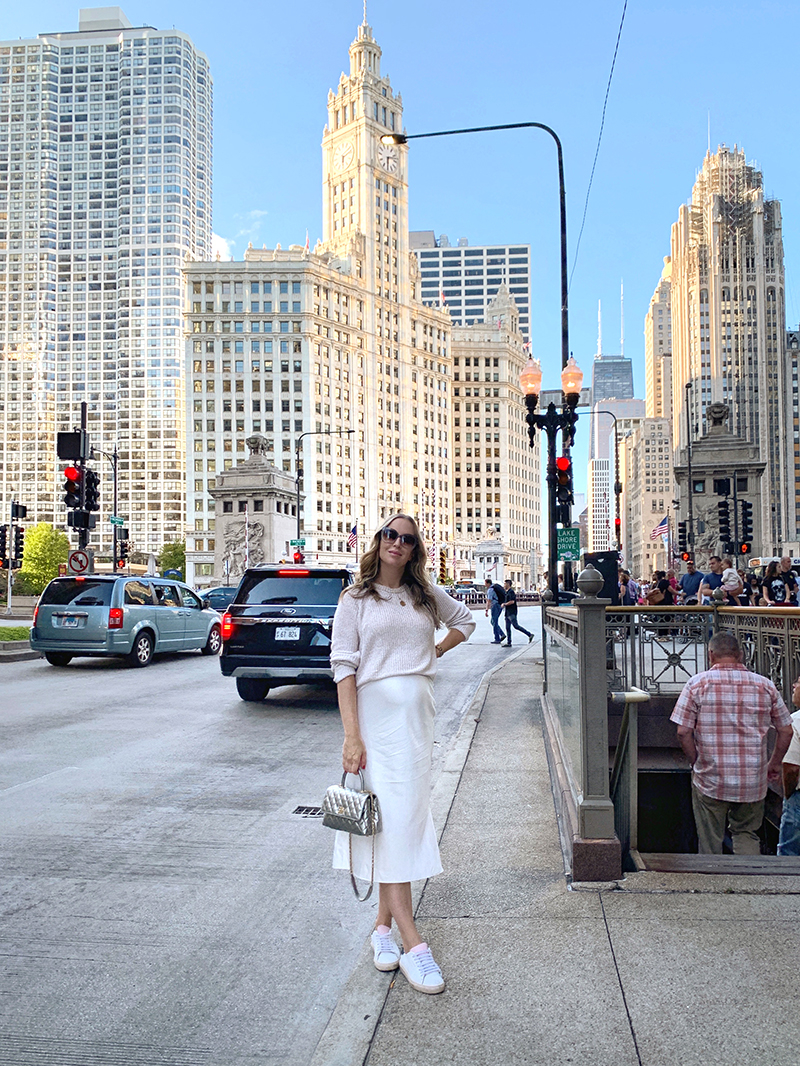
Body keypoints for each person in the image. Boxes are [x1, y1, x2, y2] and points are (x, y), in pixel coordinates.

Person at [330, 513, 476, 995]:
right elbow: (344, 670)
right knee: (392, 822)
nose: (397, 542)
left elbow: (466, 621)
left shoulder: (422, 596)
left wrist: (433, 653)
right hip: (376, 725)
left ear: (415, 550)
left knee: (404, 820)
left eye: (407, 539)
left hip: (417, 722)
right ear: (378, 541)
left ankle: (381, 930)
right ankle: (414, 943)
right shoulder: (354, 599)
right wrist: (352, 736)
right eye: (390, 534)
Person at [670, 632, 793, 854]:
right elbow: (786, 730)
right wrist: (774, 763)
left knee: (710, 838)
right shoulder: (765, 685)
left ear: (711, 655)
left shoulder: (696, 685)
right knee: (746, 833)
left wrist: (695, 761)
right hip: (753, 779)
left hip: (710, 777)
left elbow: (683, 732)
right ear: (741, 655)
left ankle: (714, 882)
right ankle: (748, 881)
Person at [778, 676, 800, 855]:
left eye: (799, 682)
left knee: (789, 854)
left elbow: (792, 767)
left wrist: (788, 794)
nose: (793, 685)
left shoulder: (795, 722)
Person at [501, 579, 534, 646]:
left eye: (505, 584)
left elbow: (512, 601)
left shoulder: (511, 592)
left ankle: (529, 634)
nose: (504, 585)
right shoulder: (506, 592)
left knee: (516, 626)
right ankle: (509, 642)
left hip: (511, 612)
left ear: (508, 584)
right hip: (507, 612)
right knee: (507, 627)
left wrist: (504, 604)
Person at [484, 577, 504, 644]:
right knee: (493, 621)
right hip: (500, 605)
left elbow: (489, 600)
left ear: (488, 583)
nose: (485, 585)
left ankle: (497, 638)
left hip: (495, 606)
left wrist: (486, 610)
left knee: (494, 622)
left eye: (485, 583)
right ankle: (502, 634)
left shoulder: (490, 590)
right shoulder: (495, 588)